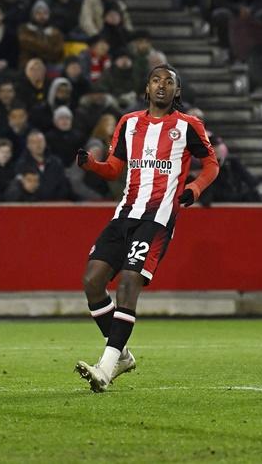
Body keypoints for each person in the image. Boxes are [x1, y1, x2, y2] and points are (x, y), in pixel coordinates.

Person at [73, 65, 218, 392]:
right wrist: (91, 165)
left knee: (128, 282)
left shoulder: (187, 125)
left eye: (169, 82)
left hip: (158, 218)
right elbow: (114, 169)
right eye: (156, 80)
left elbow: (211, 163)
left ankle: (105, 369)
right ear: (147, 87)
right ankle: (122, 355)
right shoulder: (129, 123)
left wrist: (194, 189)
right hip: (124, 214)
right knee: (92, 281)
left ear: (177, 91)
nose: (162, 86)